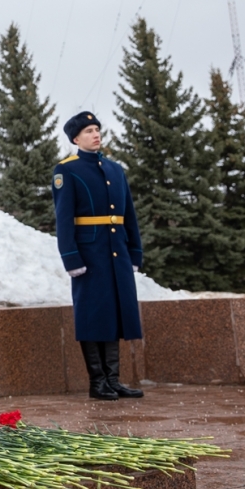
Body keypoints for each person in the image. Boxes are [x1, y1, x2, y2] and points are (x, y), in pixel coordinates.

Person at [52, 112, 144, 401]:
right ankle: (98, 382)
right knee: (93, 316)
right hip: (90, 256)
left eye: (97, 129)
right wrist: (71, 258)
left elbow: (128, 215)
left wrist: (135, 251)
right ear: (76, 139)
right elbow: (64, 219)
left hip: (116, 252)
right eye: (89, 131)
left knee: (114, 314)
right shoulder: (67, 170)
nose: (95, 134)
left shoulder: (115, 170)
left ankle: (113, 380)